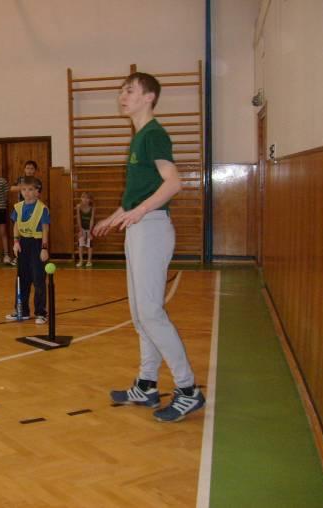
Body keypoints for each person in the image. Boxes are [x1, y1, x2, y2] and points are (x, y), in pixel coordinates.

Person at [92, 72, 205, 423]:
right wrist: (113, 218)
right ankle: (146, 384)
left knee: (152, 313)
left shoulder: (154, 135)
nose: (121, 96)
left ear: (148, 97)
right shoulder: (139, 137)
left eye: (129, 91)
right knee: (141, 315)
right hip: (138, 229)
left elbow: (173, 184)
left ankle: (188, 390)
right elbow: (138, 195)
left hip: (152, 230)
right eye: (121, 91)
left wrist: (140, 212)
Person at [5, 176, 49, 325]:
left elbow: (45, 229)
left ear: (37, 191)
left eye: (30, 189)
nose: (27, 192)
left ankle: (41, 313)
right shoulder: (18, 207)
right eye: (24, 189)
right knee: (22, 279)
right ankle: (22, 311)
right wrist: (16, 242)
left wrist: (44, 248)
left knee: (38, 279)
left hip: (37, 244)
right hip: (23, 244)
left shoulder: (42, 208)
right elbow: (16, 225)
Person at [76, 192, 95, 268]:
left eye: (87, 198)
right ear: (81, 198)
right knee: (80, 243)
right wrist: (80, 230)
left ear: (90, 200)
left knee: (89, 244)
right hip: (82, 228)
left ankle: (89, 261)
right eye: (83, 197)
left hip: (89, 228)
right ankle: (81, 260)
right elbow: (78, 218)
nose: (85, 199)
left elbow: (92, 220)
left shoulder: (92, 208)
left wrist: (90, 232)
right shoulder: (78, 206)